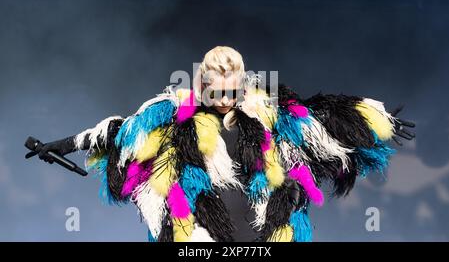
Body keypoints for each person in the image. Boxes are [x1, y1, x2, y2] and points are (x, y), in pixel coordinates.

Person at [30, 46, 415, 242]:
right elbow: (120, 132)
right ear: (202, 85)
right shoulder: (172, 115)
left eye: (234, 90)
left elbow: (320, 119)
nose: (227, 99)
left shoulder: (268, 116)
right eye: (219, 92)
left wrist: (374, 120)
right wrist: (61, 145)